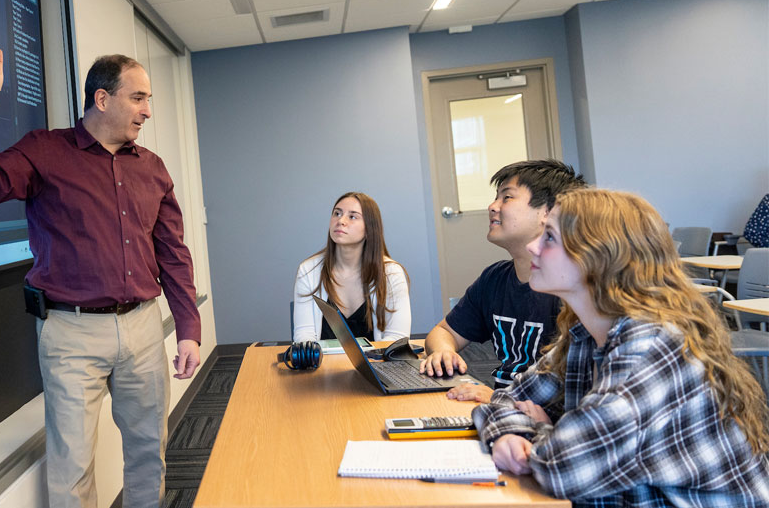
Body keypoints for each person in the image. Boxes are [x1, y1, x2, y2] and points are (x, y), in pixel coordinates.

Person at [0, 37, 201, 508]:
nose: (148, 111)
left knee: (149, 451)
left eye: (149, 99)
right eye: (139, 97)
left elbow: (173, 253)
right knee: (72, 467)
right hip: (71, 333)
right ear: (102, 99)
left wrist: (187, 328)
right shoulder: (45, 152)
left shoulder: (152, 168)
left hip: (143, 327)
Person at [474, 188, 769, 506]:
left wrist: (544, 428)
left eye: (549, 238)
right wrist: (511, 433)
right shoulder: (583, 333)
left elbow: (564, 469)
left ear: (597, 257)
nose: (532, 246)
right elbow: (505, 398)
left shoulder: (651, 346)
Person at [419, 160, 586, 402]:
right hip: (501, 408)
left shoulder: (570, 290)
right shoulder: (495, 278)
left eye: (507, 198)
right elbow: (443, 331)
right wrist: (444, 351)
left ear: (548, 213)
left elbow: (570, 390)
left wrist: (500, 399)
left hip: (531, 415)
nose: (493, 206)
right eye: (495, 197)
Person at [292, 192, 411, 343]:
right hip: (324, 365)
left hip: (376, 365)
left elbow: (397, 339)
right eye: (337, 213)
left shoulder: (391, 273)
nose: (340, 221)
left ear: (369, 229)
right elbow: (304, 337)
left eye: (352, 216)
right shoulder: (308, 270)